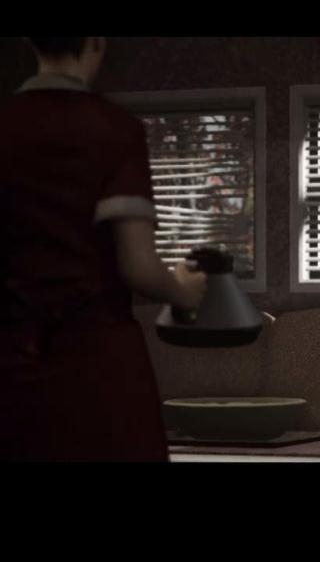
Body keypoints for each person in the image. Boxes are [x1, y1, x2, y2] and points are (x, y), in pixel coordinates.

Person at [0, 37, 207, 461]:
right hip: (97, 358)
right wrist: (184, 291)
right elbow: (138, 265)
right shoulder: (113, 129)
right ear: (97, 42)